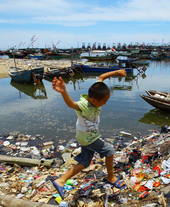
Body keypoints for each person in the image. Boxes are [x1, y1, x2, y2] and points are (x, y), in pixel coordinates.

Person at [52, 69, 127, 199]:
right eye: (104, 101)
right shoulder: (84, 106)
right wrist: (64, 92)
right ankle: (111, 177)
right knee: (109, 151)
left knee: (84, 162)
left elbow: (102, 76)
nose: (105, 104)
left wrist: (117, 72)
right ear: (93, 101)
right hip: (89, 138)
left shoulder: (96, 91)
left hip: (84, 137)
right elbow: (71, 104)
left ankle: (60, 181)